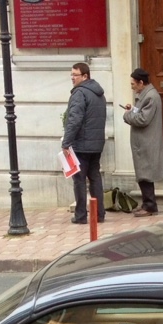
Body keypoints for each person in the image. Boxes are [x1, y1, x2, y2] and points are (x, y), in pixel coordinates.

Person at [62, 62, 106, 224]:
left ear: (85, 76)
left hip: (82, 144)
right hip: (96, 144)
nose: (72, 78)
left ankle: (81, 216)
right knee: (95, 178)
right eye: (71, 75)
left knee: (79, 180)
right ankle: (99, 214)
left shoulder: (80, 93)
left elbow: (74, 120)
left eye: (75, 75)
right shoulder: (99, 93)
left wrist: (66, 143)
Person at [121, 68, 163, 217]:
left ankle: (150, 205)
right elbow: (142, 113)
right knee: (143, 173)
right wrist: (133, 109)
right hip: (144, 141)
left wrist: (127, 115)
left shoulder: (151, 97)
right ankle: (147, 204)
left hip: (147, 142)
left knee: (145, 173)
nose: (132, 87)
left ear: (141, 82)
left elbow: (143, 119)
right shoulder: (147, 95)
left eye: (133, 84)